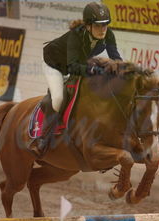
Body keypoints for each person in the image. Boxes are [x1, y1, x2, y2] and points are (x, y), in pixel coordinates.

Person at [37, 1, 122, 155]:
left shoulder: (108, 34)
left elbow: (116, 58)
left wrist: (125, 72)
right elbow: (72, 67)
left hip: (76, 63)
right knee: (57, 97)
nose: (103, 29)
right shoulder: (76, 36)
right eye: (98, 25)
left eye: (105, 25)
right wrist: (96, 70)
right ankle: (43, 139)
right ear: (88, 25)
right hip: (54, 64)